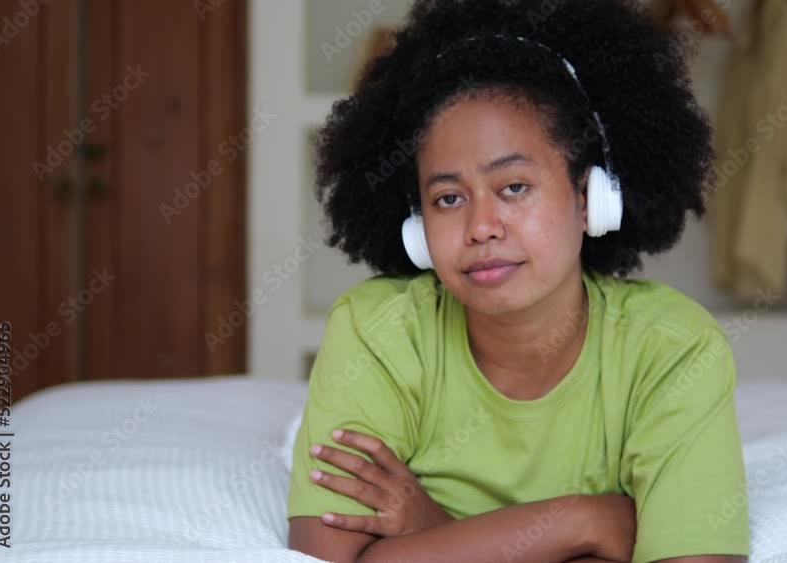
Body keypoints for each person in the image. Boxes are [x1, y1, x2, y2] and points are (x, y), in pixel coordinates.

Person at [286, 1, 749, 561]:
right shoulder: (377, 333)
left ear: (589, 199)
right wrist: (581, 520)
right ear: (417, 228)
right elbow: (323, 558)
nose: (481, 227)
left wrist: (427, 529)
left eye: (514, 188)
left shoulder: (674, 351)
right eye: (448, 198)